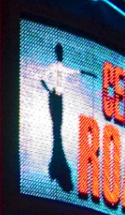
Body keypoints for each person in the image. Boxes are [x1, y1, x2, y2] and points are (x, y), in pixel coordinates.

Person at [39, 42, 92, 192]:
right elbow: (42, 78)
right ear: (57, 53)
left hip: (60, 97)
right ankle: (56, 156)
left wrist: (88, 73)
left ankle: (57, 153)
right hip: (55, 96)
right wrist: (49, 90)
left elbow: (76, 72)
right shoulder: (53, 67)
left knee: (59, 125)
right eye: (59, 52)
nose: (60, 54)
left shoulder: (62, 68)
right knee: (56, 125)